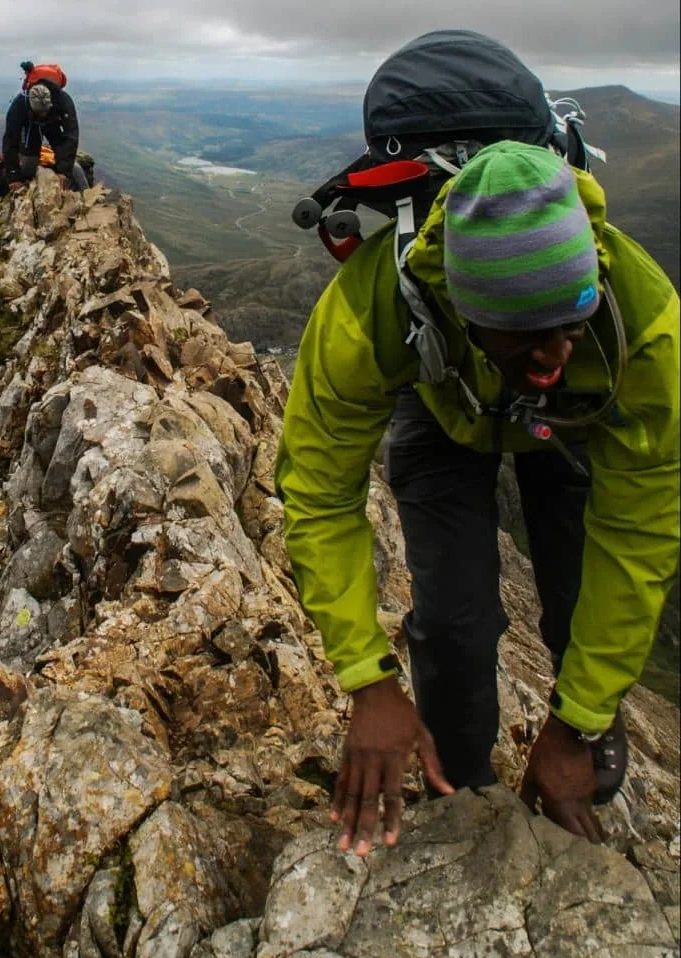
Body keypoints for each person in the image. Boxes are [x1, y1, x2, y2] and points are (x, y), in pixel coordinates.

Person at [276, 138, 679, 854]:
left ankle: (588, 713)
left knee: (578, 595)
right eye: (527, 335)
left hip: (575, 420)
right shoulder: (374, 309)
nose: (555, 356)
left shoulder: (642, 327)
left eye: (572, 322)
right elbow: (319, 492)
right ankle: (457, 784)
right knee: (454, 626)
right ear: (465, 310)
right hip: (443, 400)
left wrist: (579, 721)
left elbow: (640, 531)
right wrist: (368, 683)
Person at [3, 82, 87, 191]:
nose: (42, 115)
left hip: (52, 120)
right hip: (30, 122)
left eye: (44, 112)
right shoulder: (20, 105)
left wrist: (64, 171)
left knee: (68, 159)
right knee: (29, 160)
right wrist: (13, 176)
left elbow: (71, 136)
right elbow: (10, 140)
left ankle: (84, 191)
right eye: (39, 112)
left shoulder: (62, 100)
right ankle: (28, 186)